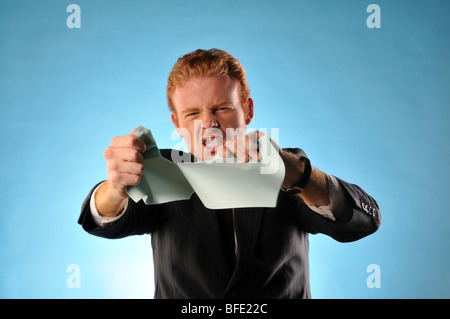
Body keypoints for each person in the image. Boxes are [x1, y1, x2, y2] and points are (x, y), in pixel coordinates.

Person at [78, 48, 381, 298]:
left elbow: (361, 222)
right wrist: (115, 187)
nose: (209, 124)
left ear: (247, 110)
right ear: (177, 123)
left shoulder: (287, 169)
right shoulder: (160, 170)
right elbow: (105, 222)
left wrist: (295, 174)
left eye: (221, 108)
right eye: (193, 113)